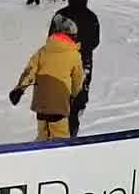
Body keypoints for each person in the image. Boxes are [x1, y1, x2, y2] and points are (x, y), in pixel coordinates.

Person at [9, 13, 86, 142]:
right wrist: (73, 95)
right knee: (60, 137)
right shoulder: (74, 55)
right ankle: (59, 158)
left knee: (42, 135)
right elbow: (78, 79)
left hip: (41, 103)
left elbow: (30, 71)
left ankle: (40, 154)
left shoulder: (43, 51)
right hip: (59, 103)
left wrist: (20, 89)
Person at [57, 0, 100, 137]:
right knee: (79, 98)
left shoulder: (60, 15)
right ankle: (71, 129)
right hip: (83, 63)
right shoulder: (91, 17)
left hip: (61, 63)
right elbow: (95, 42)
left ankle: (60, 128)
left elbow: (51, 39)